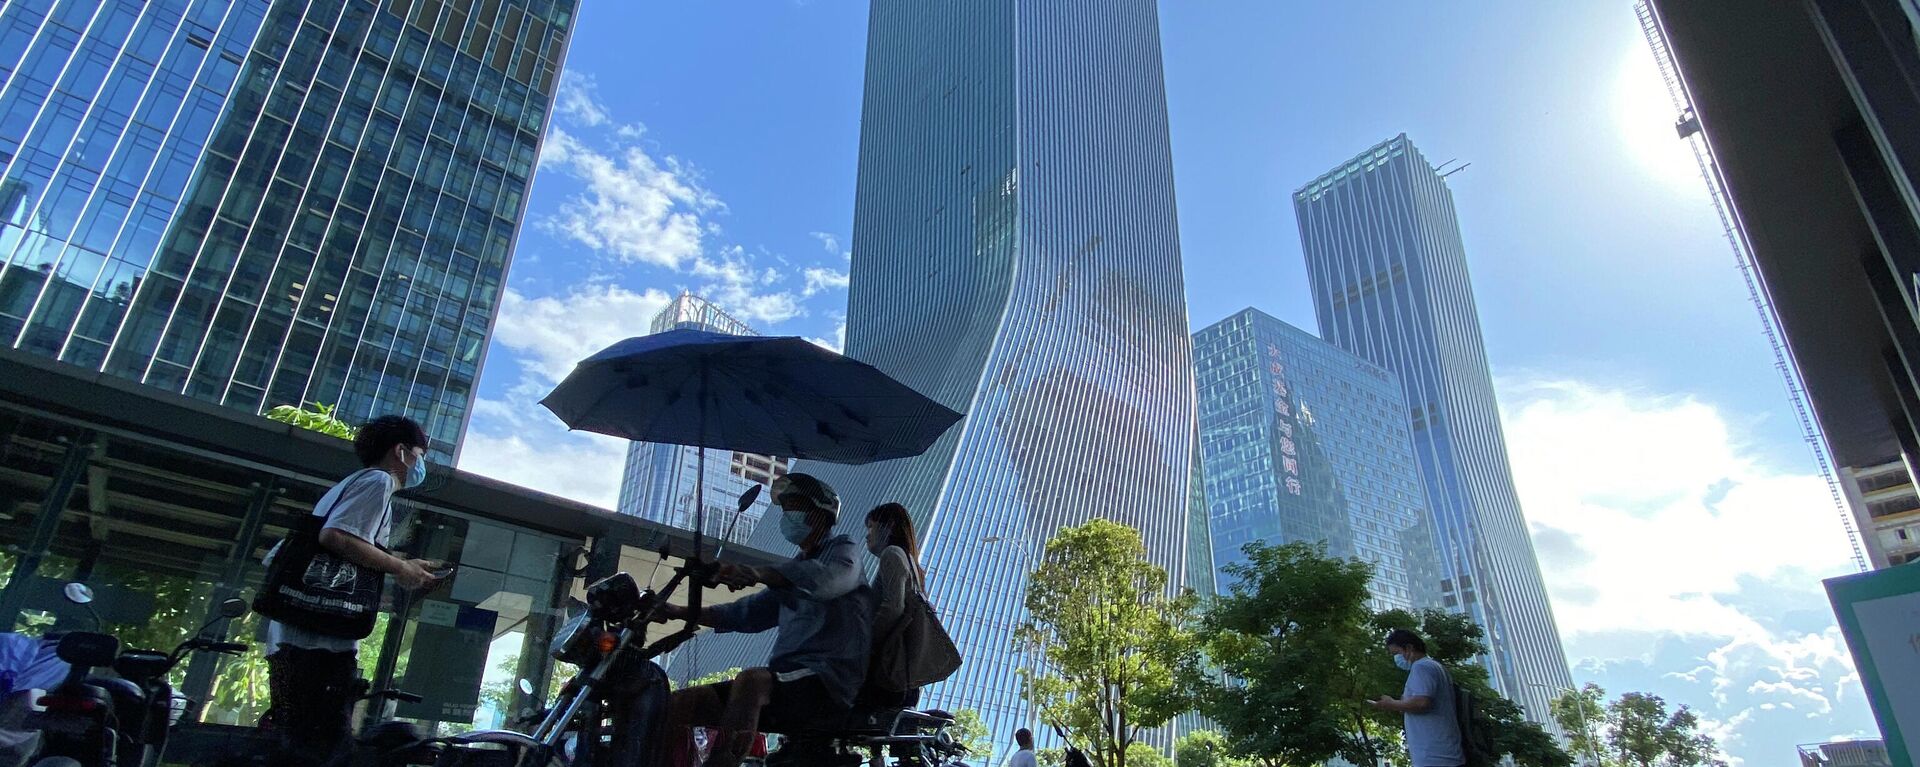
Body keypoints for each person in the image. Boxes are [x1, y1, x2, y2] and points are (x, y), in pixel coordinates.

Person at [655, 474, 872, 767]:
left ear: (821, 512)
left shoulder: (843, 552)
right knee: (679, 704)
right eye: (785, 509)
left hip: (827, 683)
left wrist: (758, 573)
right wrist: (677, 612)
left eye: (794, 506)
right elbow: (744, 613)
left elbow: (826, 581)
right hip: (784, 688)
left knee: (751, 681)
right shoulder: (794, 570)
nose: (787, 516)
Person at [263, 415, 443, 765]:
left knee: (302, 747)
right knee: (322, 751)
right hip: (318, 644)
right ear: (401, 452)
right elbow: (336, 536)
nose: (422, 465)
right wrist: (399, 567)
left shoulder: (354, 483)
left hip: (297, 637)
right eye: (420, 455)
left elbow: (345, 538)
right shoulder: (377, 481)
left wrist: (404, 564)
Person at [858, 502, 928, 708]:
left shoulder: (892, 554)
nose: (867, 534)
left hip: (887, 669)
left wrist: (865, 645)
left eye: (871, 527)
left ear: (887, 527)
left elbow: (893, 608)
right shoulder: (912, 563)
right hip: (905, 671)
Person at [1369, 629, 1464, 767]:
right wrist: (1399, 704)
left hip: (1435, 756)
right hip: (1441, 754)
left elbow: (1421, 703)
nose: (1396, 659)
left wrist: (1391, 704)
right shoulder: (1434, 666)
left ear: (1408, 648)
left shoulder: (1422, 667)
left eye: (1396, 653)